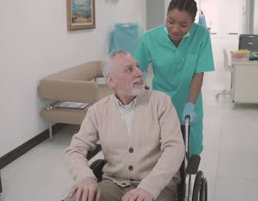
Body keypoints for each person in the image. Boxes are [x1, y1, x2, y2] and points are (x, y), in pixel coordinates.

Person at [64, 49, 184, 201]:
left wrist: (149, 187)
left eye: (138, 66)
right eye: (129, 69)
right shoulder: (98, 111)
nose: (139, 73)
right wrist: (85, 177)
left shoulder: (161, 102)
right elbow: (75, 149)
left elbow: (175, 148)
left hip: (158, 185)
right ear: (111, 80)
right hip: (114, 184)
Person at [135, 0, 214, 156]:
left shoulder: (201, 36)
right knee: (160, 150)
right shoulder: (150, 39)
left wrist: (191, 105)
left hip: (190, 101)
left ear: (193, 23)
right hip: (160, 103)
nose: (176, 29)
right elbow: (136, 71)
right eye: (171, 21)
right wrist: (137, 96)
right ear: (166, 17)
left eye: (184, 25)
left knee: (191, 150)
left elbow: (198, 74)